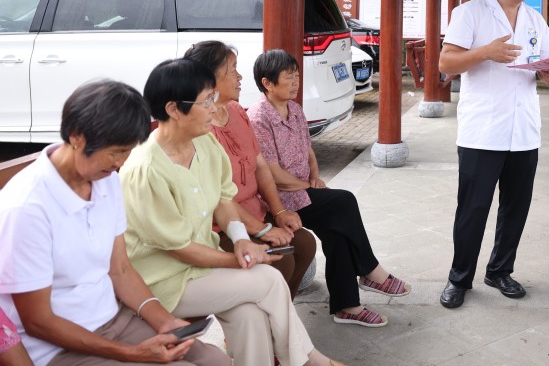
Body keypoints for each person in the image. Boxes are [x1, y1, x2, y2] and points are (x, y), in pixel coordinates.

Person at [120, 58, 344, 366]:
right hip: (163, 282)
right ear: (173, 109)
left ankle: (301, 359)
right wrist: (241, 259)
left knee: (250, 316)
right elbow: (179, 249)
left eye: (212, 98)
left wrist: (240, 240)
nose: (214, 108)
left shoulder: (205, 143)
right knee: (267, 278)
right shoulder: (146, 169)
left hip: (200, 271)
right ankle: (308, 360)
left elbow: (224, 201)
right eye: (205, 101)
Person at [0, 80, 230, 366]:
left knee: (214, 360)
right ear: (76, 136)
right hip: (58, 348)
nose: (121, 163)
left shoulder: (104, 180)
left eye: (128, 151)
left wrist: (165, 321)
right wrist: (132, 354)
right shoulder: (26, 209)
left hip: (114, 320)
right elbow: (39, 322)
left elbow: (120, 269)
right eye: (116, 151)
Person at [437, 0, 549, 309]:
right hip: (483, 131)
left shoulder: (534, 19)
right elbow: (447, 62)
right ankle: (459, 278)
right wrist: (484, 53)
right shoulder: (470, 13)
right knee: (473, 208)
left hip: (523, 130)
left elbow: (546, 62)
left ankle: (500, 270)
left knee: (515, 207)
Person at [248, 49, 409, 328]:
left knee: (338, 231)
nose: (296, 81)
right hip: (280, 200)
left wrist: (315, 177)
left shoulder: (295, 109)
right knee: (343, 202)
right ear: (267, 83)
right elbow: (272, 174)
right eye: (289, 76)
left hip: (302, 191)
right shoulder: (258, 117)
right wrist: (309, 187)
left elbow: (308, 150)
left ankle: (348, 306)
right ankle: (370, 271)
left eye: (297, 74)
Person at [183, 40, 316, 298]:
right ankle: (266, 319)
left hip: (256, 214)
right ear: (209, 78)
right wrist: (262, 230)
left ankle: (279, 312)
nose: (240, 76)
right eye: (232, 70)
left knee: (305, 243)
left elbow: (260, 166)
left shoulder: (236, 111)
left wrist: (278, 212)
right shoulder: (199, 127)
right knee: (281, 261)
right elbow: (220, 201)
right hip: (222, 226)